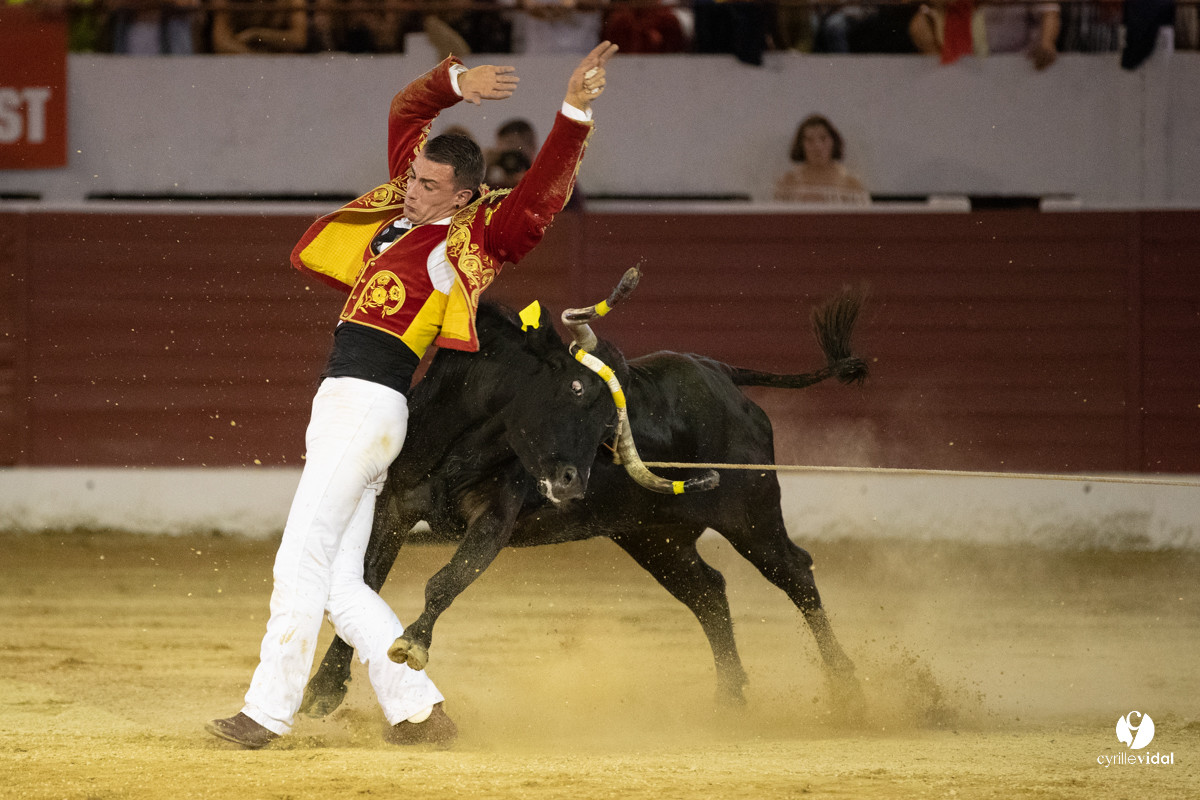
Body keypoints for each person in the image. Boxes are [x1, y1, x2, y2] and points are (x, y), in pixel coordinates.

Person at [206, 41, 619, 750]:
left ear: (462, 195)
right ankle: (420, 712)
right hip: (342, 402)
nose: (411, 187)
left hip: (369, 403)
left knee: (299, 555)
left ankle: (265, 714)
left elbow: (540, 198)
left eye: (429, 184)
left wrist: (573, 110)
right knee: (337, 579)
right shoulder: (405, 211)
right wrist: (456, 81)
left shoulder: (471, 237)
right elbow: (407, 108)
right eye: (415, 176)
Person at [774, 114, 869, 205]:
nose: (817, 146)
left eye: (823, 139)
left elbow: (864, 218)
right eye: (810, 140)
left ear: (833, 142)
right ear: (801, 145)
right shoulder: (787, 182)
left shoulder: (851, 183)